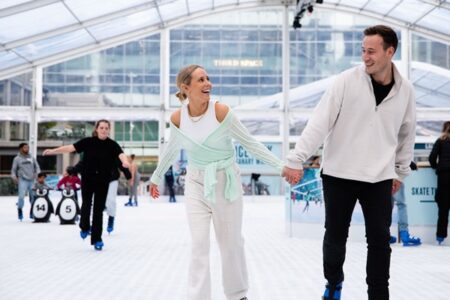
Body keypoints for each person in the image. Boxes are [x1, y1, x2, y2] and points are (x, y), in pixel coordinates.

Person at [283, 25, 416, 300]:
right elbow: (319, 123)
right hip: (339, 173)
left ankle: (379, 293)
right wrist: (296, 159)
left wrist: (400, 172)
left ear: (390, 52)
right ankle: (334, 283)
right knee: (335, 236)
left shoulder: (405, 91)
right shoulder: (346, 81)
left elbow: (407, 133)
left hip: (379, 176)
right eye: (363, 51)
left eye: (371, 51)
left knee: (380, 241)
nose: (365, 57)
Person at [149, 64, 293, 300]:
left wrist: (280, 167)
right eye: (201, 80)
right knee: (198, 244)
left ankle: (237, 295)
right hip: (195, 182)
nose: (208, 84)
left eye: (208, 78)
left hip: (226, 182)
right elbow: (171, 149)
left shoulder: (221, 111)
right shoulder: (177, 118)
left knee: (231, 243)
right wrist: (156, 177)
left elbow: (250, 143)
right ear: (186, 87)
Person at [43, 119, 129, 251]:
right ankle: (84, 227)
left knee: (98, 210)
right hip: (88, 179)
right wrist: (53, 151)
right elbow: (70, 148)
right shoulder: (88, 142)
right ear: (96, 129)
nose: (104, 130)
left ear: (109, 130)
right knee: (86, 204)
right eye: (102, 127)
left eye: (106, 128)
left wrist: (125, 162)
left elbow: (121, 154)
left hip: (102, 180)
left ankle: (97, 239)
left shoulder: (112, 145)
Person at [73, 158, 131, 233]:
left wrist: (128, 174)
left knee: (111, 201)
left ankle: (111, 217)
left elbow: (120, 162)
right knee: (94, 203)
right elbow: (84, 161)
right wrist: (73, 170)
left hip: (112, 180)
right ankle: (91, 226)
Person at [390, 161, 421, 246]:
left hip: (384, 175)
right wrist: (410, 163)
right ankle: (404, 234)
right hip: (395, 174)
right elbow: (399, 152)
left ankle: (385, 234)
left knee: (387, 205)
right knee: (401, 205)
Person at [428, 121, 450, 245]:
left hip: (444, 177)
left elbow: (432, 158)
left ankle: (440, 238)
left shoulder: (440, 141)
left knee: (443, 209)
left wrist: (437, 167)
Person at [11, 142, 41, 221]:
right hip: (22, 180)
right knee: (21, 196)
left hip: (32, 180)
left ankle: (32, 212)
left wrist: (38, 175)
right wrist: (14, 178)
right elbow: (13, 170)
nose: (27, 149)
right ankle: (20, 209)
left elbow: (37, 167)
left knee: (33, 197)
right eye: (25, 147)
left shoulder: (31, 157)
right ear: (21, 149)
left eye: (28, 147)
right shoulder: (17, 159)